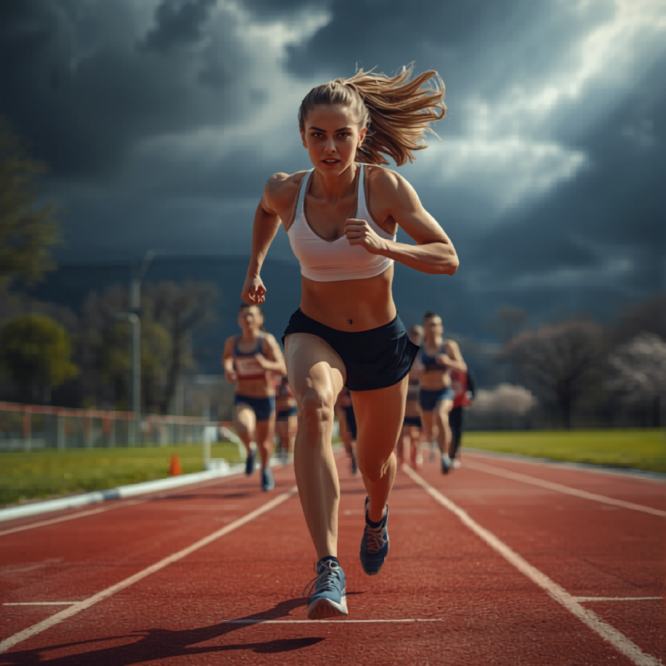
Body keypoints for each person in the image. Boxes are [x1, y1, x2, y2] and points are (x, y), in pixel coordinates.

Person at [240, 65, 459, 620]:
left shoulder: (382, 186)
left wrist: (387, 246)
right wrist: (256, 267)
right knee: (313, 408)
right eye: (318, 135)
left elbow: (447, 257)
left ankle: (377, 516)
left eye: (341, 134)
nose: (330, 146)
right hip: (314, 332)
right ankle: (327, 565)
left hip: (381, 344)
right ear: (302, 137)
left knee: (374, 462)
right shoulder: (285, 189)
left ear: (361, 135)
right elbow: (266, 212)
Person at [222, 303, 287, 491]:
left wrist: (265, 363)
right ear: (239, 320)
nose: (248, 319)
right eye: (244, 316)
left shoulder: (266, 341)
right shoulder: (232, 343)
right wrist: (229, 370)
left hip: (265, 399)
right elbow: (227, 358)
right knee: (243, 427)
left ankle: (265, 470)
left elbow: (282, 368)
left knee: (266, 444)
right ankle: (250, 450)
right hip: (244, 396)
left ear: (260, 319)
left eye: (252, 315)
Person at [414, 312, 467, 474]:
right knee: (430, 431)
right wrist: (417, 370)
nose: (433, 328)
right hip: (425, 393)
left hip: (444, 391)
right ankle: (435, 442)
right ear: (424, 327)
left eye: (436, 324)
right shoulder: (419, 349)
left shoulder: (449, 346)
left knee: (441, 415)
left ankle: (445, 456)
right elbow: (410, 372)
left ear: (441, 327)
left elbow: (462, 367)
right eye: (429, 325)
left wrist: (448, 361)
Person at [397, 325, 424, 470]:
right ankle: (404, 458)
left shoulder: (425, 354)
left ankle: (417, 454)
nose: (415, 336)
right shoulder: (403, 353)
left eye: (418, 334)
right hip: (406, 396)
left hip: (420, 398)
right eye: (413, 334)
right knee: (404, 431)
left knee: (418, 432)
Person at [448, 367, 476, 468]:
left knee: (458, 431)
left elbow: (471, 385)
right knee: (448, 430)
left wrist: (472, 398)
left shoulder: (465, 370)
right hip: (446, 404)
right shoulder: (447, 369)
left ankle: (454, 455)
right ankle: (447, 452)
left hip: (460, 404)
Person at [336, 386, 358, 475]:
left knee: (357, 437)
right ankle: (354, 460)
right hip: (346, 409)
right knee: (348, 437)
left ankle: (356, 459)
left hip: (358, 407)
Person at [275, 374, 298, 463]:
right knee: (282, 435)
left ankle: (288, 455)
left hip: (291, 410)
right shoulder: (276, 382)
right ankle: (283, 451)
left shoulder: (291, 382)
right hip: (279, 411)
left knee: (289, 433)